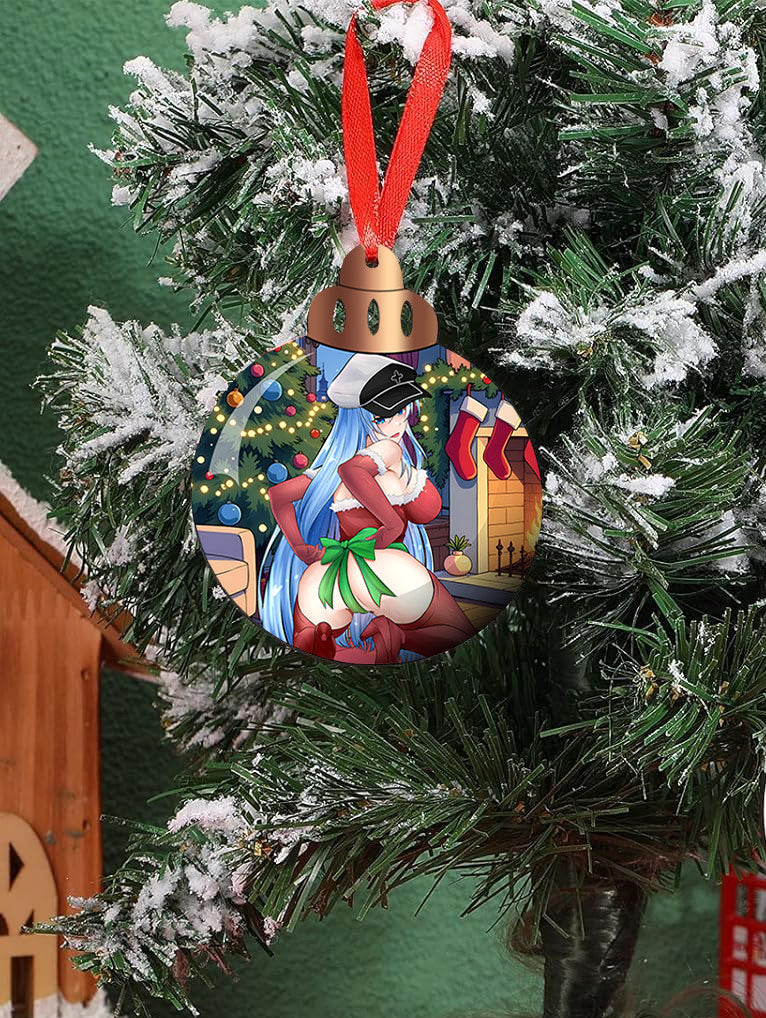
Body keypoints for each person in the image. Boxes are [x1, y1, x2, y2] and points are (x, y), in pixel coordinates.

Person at [259, 353, 475, 663]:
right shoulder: (388, 450)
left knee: (309, 640)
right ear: (360, 419)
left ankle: (344, 648)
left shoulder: (326, 473)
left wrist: (300, 548)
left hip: (329, 574)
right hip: (388, 571)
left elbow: (278, 494)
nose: (398, 423)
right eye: (384, 417)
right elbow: (353, 471)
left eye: (402, 411)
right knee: (455, 632)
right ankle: (397, 638)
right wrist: (391, 524)